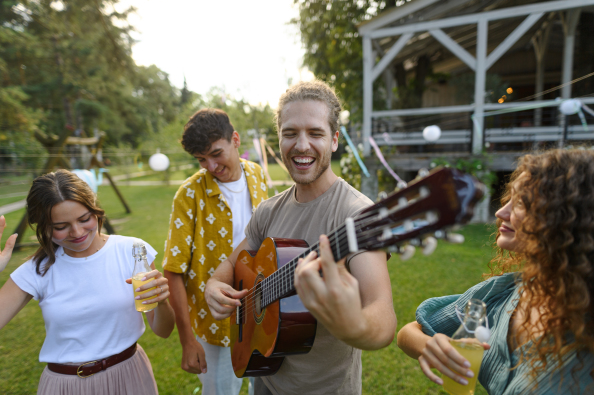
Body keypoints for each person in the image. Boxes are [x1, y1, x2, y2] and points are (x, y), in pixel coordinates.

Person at [205, 80, 397, 395]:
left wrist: (354, 325)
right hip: (263, 374)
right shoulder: (268, 211)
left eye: (316, 133)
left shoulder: (358, 216)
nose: (302, 145)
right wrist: (214, 284)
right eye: (290, 133)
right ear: (279, 138)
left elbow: (383, 315)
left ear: (335, 140)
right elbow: (230, 262)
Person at [397, 148, 594, 394]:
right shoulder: (504, 295)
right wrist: (430, 347)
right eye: (509, 199)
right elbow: (409, 333)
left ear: (570, 221)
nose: (500, 212)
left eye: (522, 203)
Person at [0, 170, 175, 395]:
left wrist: (162, 303)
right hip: (66, 386)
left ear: (95, 209)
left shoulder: (132, 251)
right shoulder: (37, 270)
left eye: (84, 219)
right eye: (61, 226)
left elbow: (163, 330)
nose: (78, 232)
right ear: (42, 225)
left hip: (131, 376)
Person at [162, 108, 268, 394]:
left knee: (265, 386)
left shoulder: (257, 175)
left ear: (235, 139)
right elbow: (173, 270)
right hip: (213, 322)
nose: (210, 165)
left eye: (216, 154)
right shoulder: (189, 194)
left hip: (263, 307)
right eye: (200, 159)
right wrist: (187, 340)